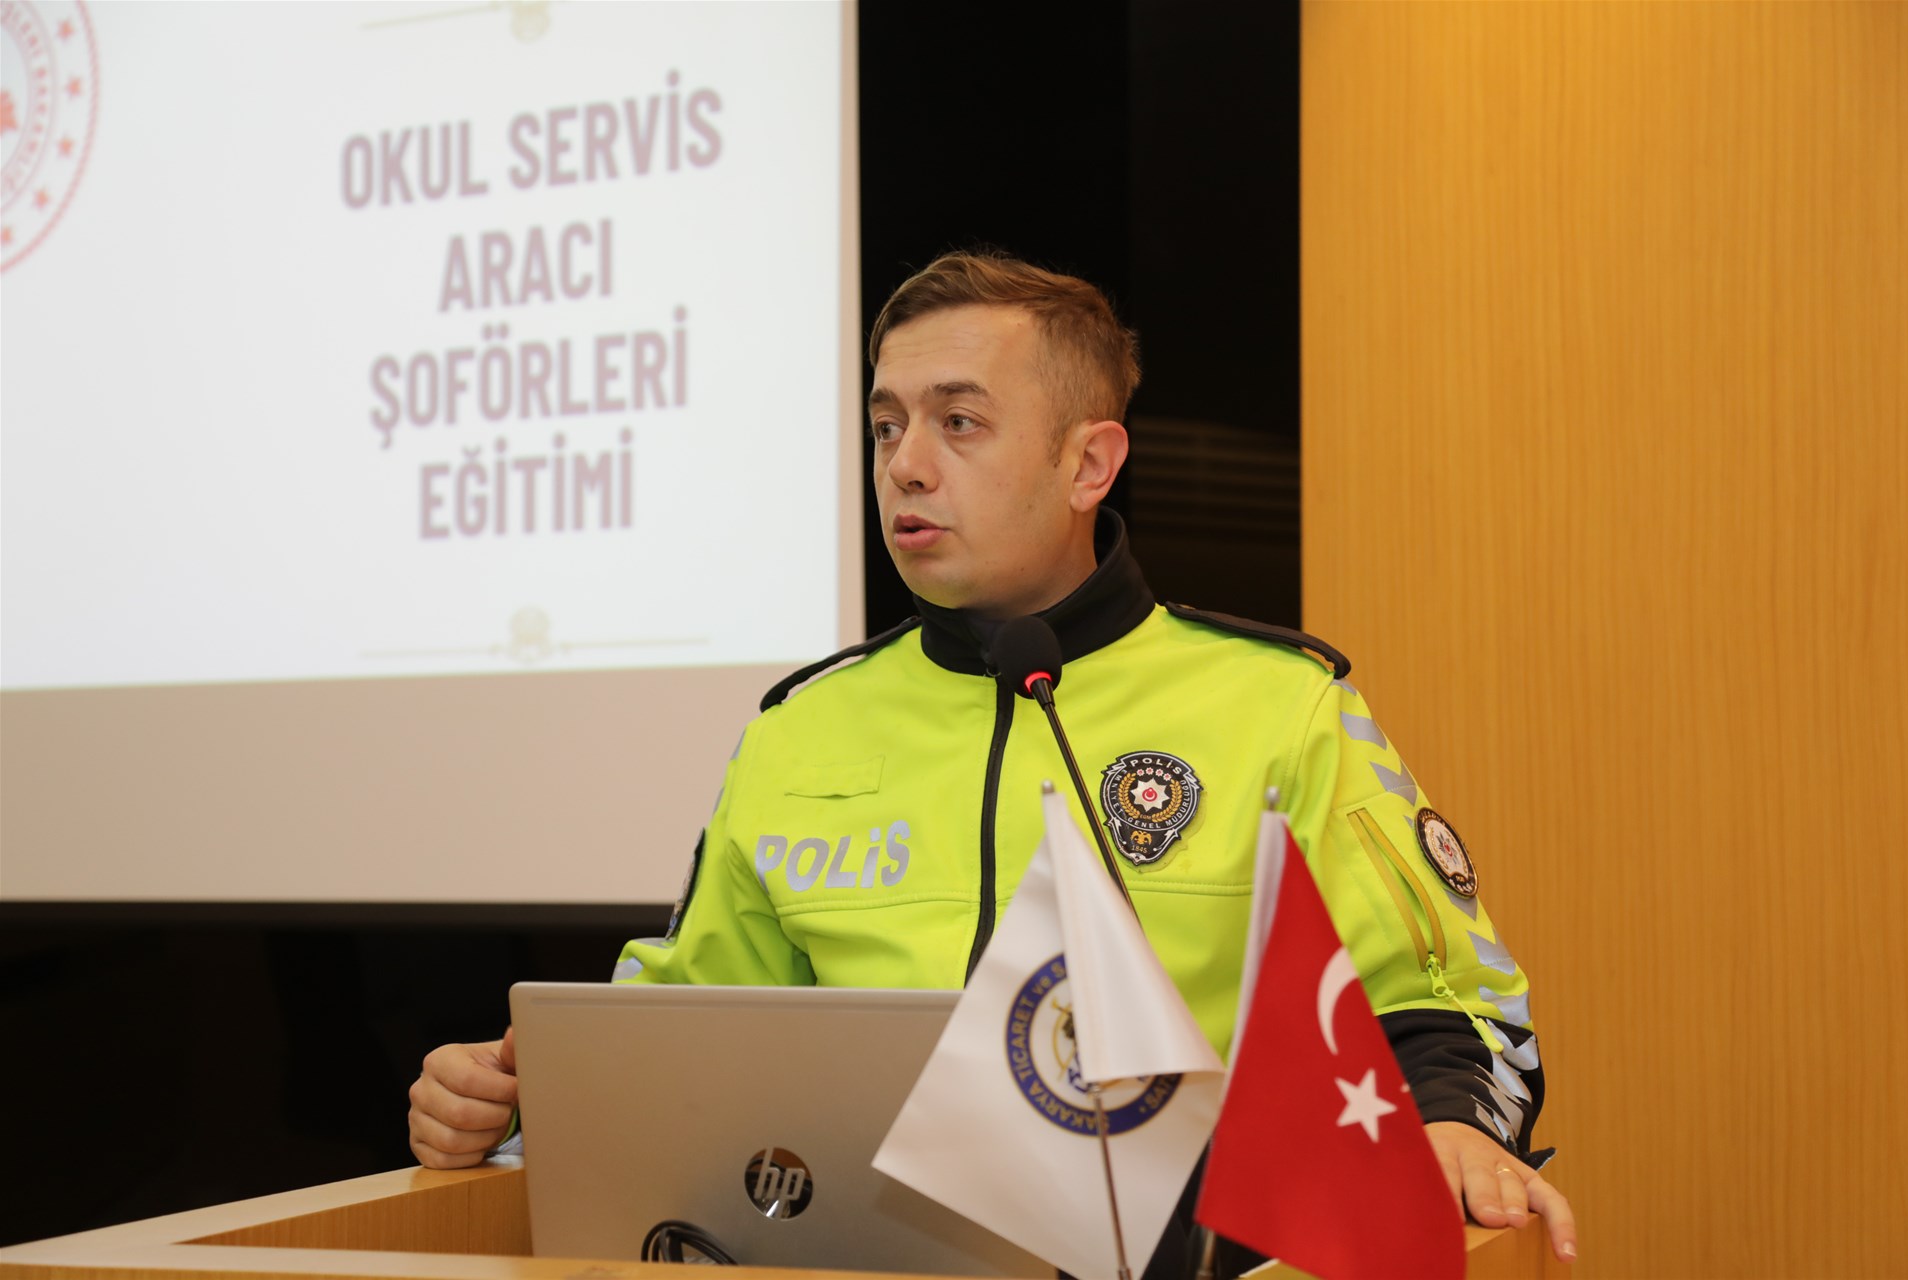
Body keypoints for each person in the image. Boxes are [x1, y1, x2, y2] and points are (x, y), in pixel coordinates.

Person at [408, 251, 1578, 1264]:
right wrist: (509, 1107)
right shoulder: (799, 729)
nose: (906, 464)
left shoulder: (1282, 705)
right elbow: (674, 1051)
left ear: (1088, 464)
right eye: (887, 425)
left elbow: (1451, 1007)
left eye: (958, 422)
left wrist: (1451, 1124)